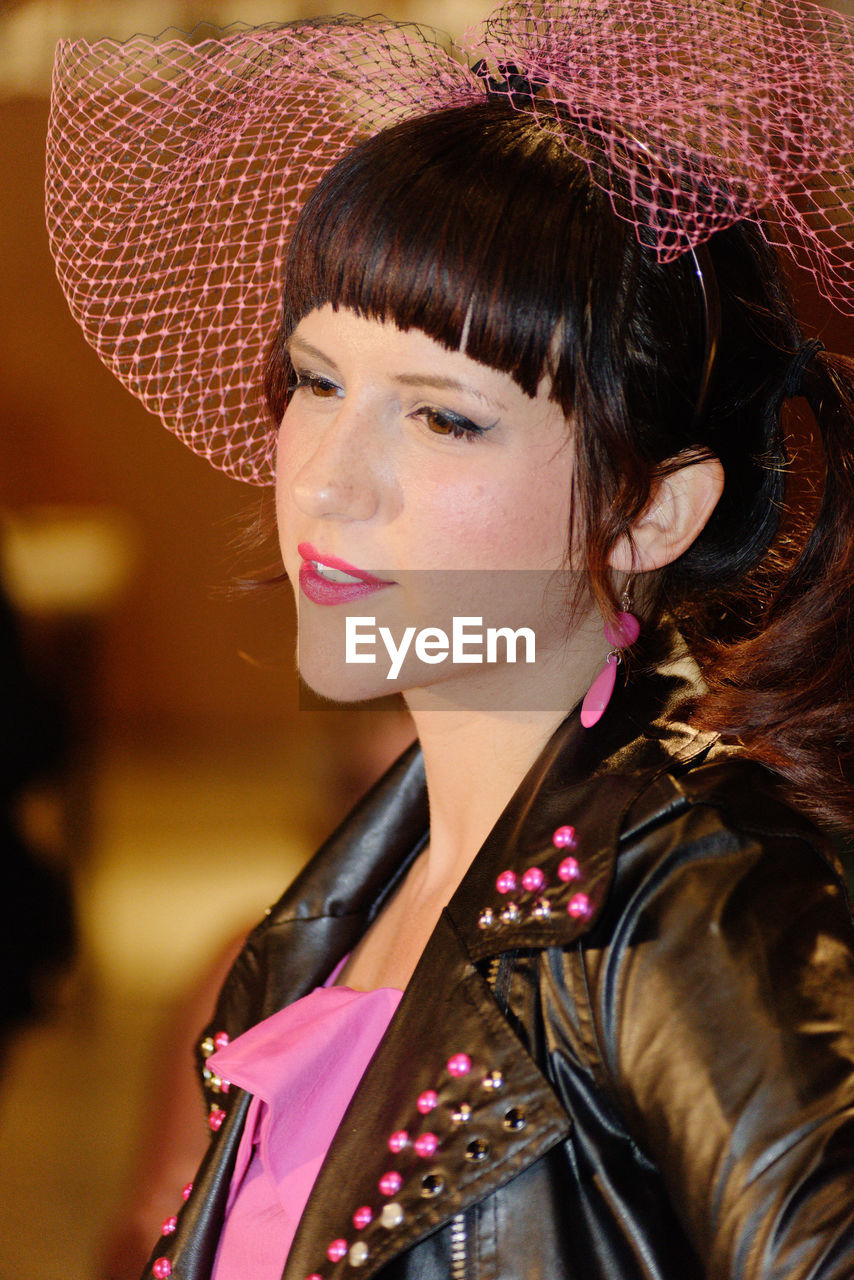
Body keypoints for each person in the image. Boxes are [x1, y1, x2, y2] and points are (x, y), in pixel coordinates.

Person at [45, 1, 854, 1277]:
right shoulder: (344, 901)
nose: (323, 482)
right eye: (317, 381)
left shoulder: (692, 899)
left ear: (651, 507)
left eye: (444, 419)